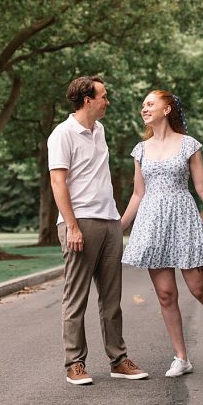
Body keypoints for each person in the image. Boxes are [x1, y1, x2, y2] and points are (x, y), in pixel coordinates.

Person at [120, 90, 203, 378]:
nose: (144, 108)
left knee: (199, 289)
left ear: (167, 108)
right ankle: (181, 358)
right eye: (143, 105)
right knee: (165, 294)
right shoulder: (140, 149)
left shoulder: (188, 145)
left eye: (150, 103)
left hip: (183, 219)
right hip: (152, 223)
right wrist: (120, 227)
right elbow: (138, 194)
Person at [48, 75, 148, 385]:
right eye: (103, 96)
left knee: (111, 299)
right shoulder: (62, 134)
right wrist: (72, 226)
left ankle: (118, 360)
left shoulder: (99, 130)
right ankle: (74, 363)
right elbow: (57, 182)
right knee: (76, 298)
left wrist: (117, 221)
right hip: (81, 223)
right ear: (87, 99)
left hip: (109, 222)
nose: (108, 101)